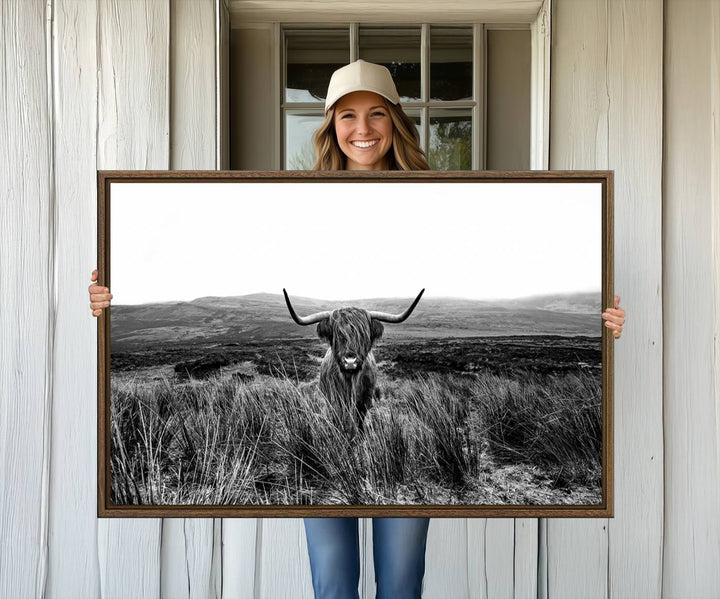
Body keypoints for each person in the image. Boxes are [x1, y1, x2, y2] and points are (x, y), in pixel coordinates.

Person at [88, 60, 627, 599]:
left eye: (376, 115)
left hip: (386, 445)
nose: (362, 129)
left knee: (400, 583)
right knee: (333, 584)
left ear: (395, 121)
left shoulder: (443, 197)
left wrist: (598, 324)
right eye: (347, 115)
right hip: (323, 436)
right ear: (330, 125)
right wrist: (109, 300)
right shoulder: (292, 200)